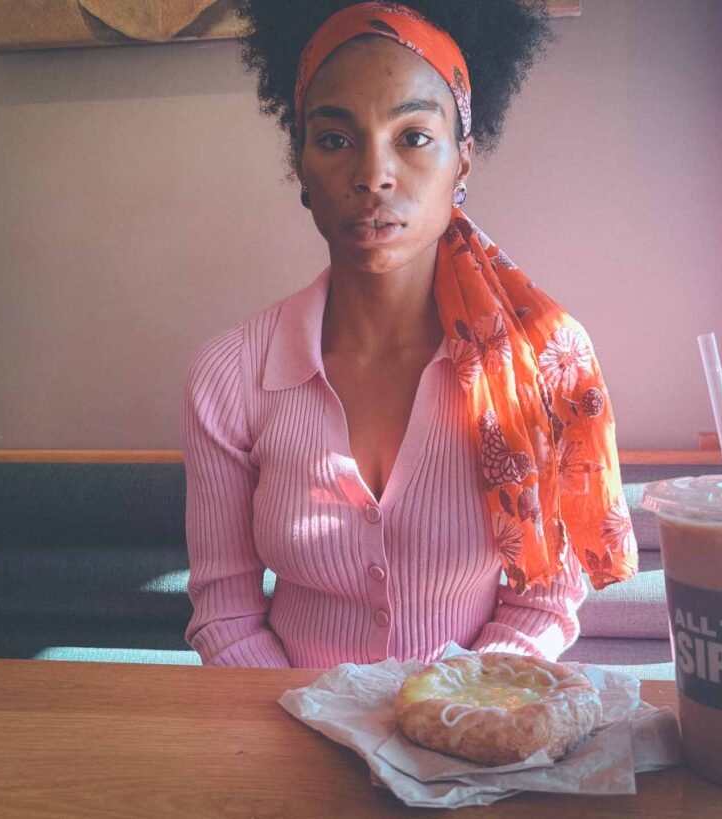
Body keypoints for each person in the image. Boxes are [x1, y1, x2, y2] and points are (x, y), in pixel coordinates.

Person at [182, 0, 637, 668]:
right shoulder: (228, 376)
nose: (373, 176)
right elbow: (226, 614)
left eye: (414, 137)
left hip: (478, 741)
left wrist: (447, 724)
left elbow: (542, 602)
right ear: (301, 167)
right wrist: (318, 731)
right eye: (335, 139)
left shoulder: (541, 362)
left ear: (464, 162)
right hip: (286, 738)